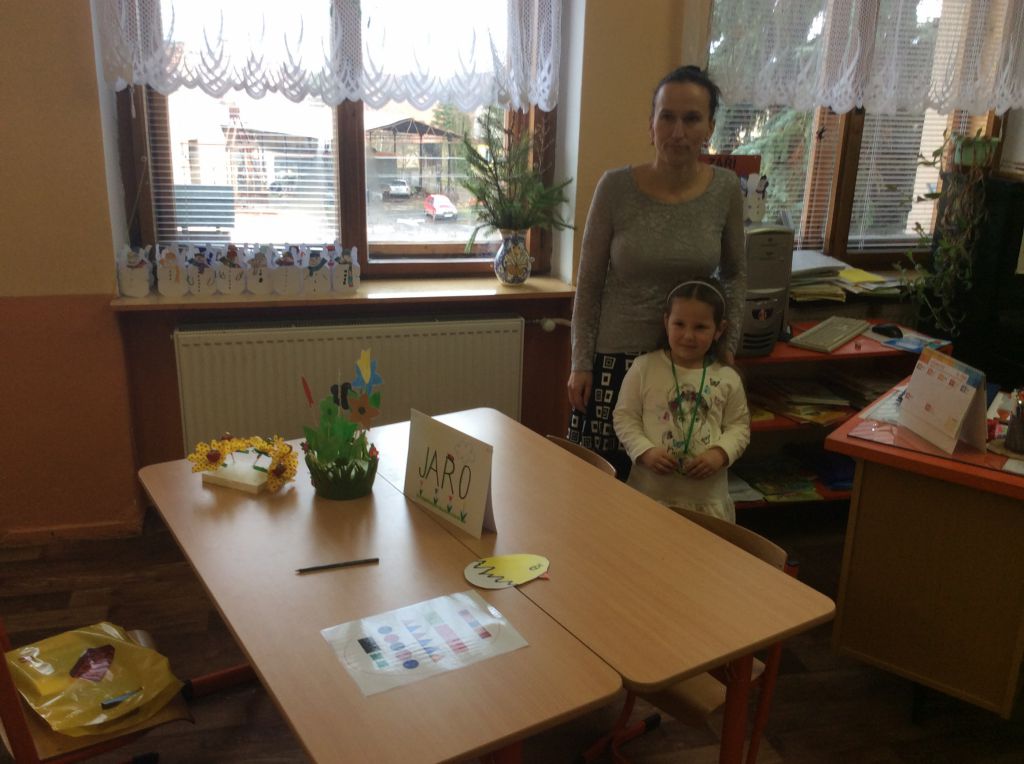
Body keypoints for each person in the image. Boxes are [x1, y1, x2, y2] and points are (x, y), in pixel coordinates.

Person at [567, 65, 745, 479]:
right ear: (651, 125)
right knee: (600, 486)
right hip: (614, 363)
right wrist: (580, 362)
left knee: (674, 485)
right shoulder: (615, 188)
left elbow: (735, 275)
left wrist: (727, 349)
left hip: (691, 362)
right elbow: (589, 283)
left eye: (692, 118)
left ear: (709, 127)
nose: (678, 132)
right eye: (667, 117)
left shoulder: (725, 190)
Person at [613, 279, 750, 521]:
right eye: (679, 324)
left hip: (706, 502)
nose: (688, 336)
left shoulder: (727, 378)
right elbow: (625, 417)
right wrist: (645, 451)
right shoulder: (644, 368)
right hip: (648, 496)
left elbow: (739, 427)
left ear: (719, 330)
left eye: (700, 327)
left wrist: (719, 454)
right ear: (666, 322)